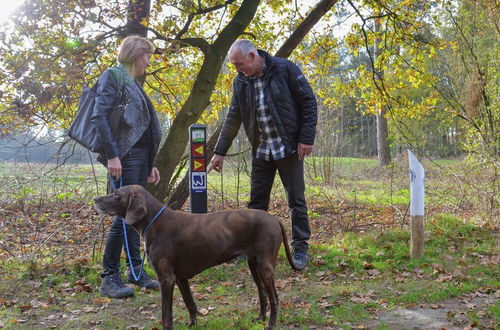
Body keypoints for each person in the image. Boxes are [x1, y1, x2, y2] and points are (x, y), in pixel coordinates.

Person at [208, 39, 317, 270]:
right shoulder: (241, 83)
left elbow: (308, 102)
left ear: (252, 56)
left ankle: (300, 246)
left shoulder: (284, 69)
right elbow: (233, 117)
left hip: (288, 147)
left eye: (239, 64)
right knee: (257, 202)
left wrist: (306, 138)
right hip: (261, 150)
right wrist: (219, 152)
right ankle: (248, 246)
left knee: (296, 200)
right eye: (234, 66)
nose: (238, 70)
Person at [91, 35, 163, 298]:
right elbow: (99, 116)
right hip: (123, 157)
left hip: (138, 158)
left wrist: (149, 164)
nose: (148, 61)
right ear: (135, 54)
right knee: (121, 217)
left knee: (136, 216)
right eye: (147, 55)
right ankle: (109, 277)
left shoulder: (132, 82)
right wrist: (112, 156)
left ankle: (135, 271)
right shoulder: (113, 76)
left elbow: (142, 127)